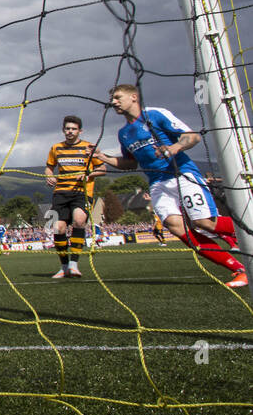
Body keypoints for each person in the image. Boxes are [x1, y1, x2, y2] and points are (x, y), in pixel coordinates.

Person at [97, 83, 246, 288]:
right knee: (176, 227)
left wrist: (175, 147)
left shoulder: (156, 115)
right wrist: (103, 157)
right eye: (112, 99)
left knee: (204, 222)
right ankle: (241, 270)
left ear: (133, 97)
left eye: (117, 97)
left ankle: (247, 227)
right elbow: (130, 163)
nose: (113, 102)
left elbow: (192, 136)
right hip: (157, 183)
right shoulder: (124, 133)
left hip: (182, 174)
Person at [45, 114, 107, 278]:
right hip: (61, 192)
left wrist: (89, 175)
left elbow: (103, 170)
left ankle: (74, 265)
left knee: (79, 221)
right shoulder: (56, 148)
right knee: (58, 227)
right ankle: (64, 266)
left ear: (80, 131)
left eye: (73, 129)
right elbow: (49, 168)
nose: (70, 131)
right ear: (63, 130)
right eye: (67, 128)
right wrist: (49, 175)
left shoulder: (88, 147)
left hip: (82, 192)